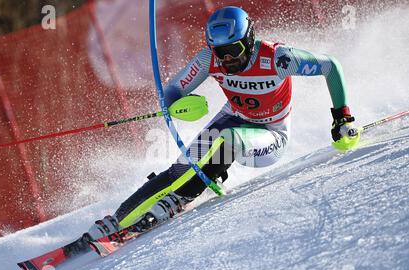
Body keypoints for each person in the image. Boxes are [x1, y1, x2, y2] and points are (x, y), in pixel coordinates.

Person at [87, 6, 359, 239]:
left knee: (229, 140)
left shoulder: (277, 58)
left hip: (271, 135)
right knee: (181, 167)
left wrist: (342, 116)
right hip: (232, 119)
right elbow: (173, 89)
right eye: (220, 51)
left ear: (248, 40)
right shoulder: (209, 59)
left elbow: (330, 66)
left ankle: (181, 198)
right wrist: (172, 104)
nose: (227, 58)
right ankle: (116, 219)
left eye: (233, 49)